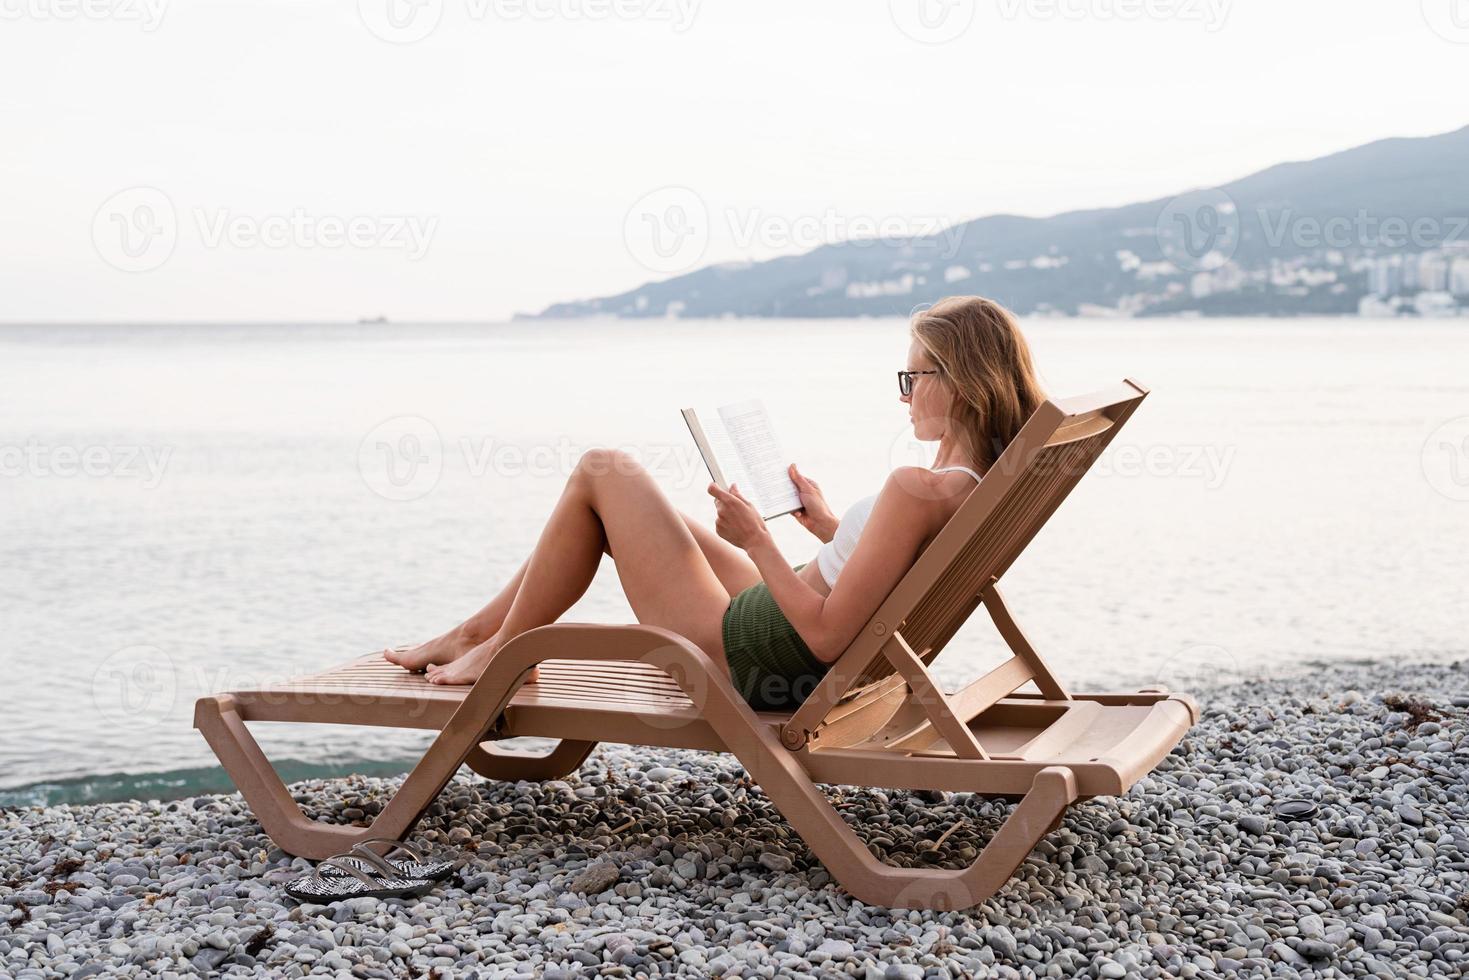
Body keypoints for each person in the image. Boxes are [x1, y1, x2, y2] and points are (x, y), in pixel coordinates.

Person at [383, 295, 1046, 711]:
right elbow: (894, 571)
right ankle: (484, 634)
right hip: (772, 622)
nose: (902, 394)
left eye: (912, 376)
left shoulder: (917, 486)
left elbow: (824, 635)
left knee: (602, 470)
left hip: (750, 655)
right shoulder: (969, 485)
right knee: (639, 505)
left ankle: (500, 644)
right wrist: (825, 527)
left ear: (958, 383)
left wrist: (755, 538)